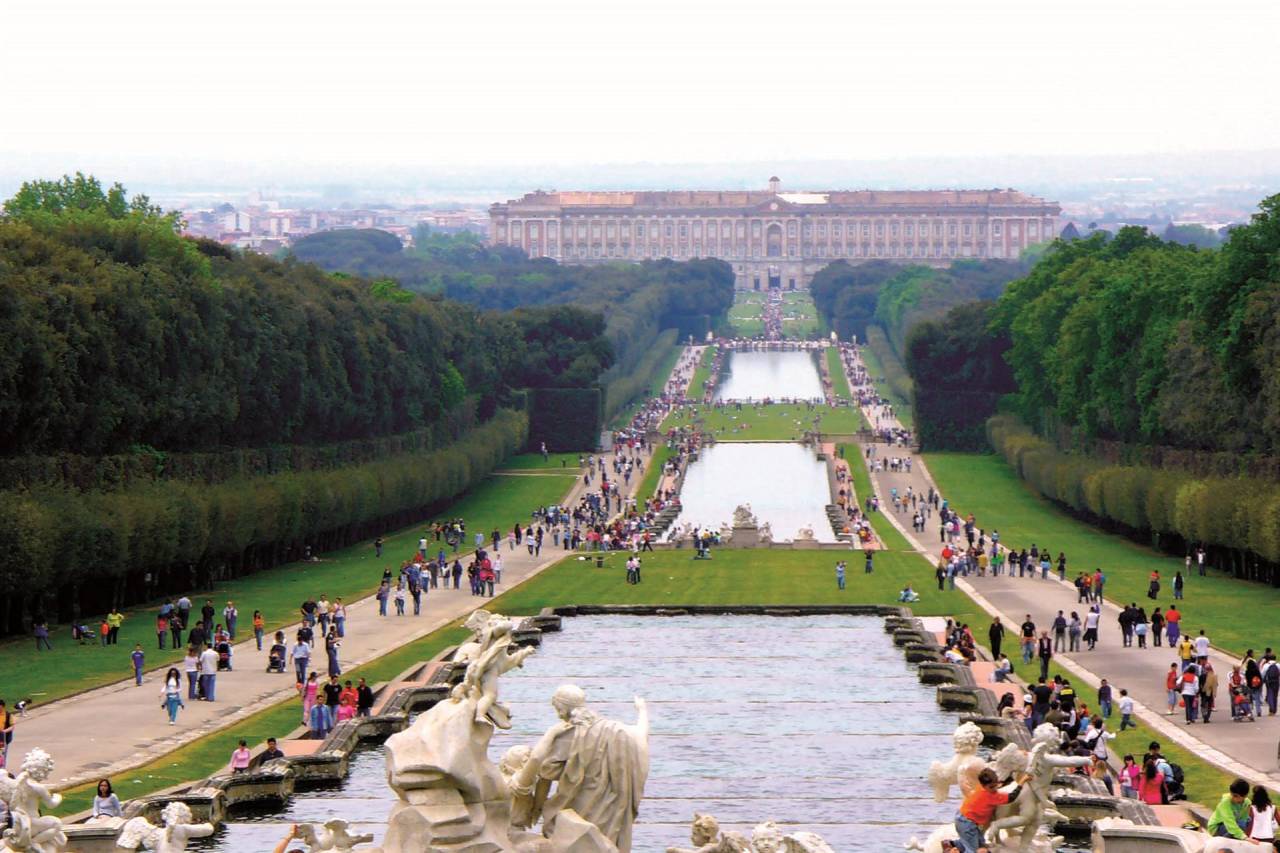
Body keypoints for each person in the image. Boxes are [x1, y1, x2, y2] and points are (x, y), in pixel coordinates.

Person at [946, 767, 1025, 853]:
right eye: (991, 787)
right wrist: (1022, 782)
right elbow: (1011, 797)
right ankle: (951, 848)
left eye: (996, 785)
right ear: (984, 786)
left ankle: (949, 844)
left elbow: (998, 785)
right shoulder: (990, 796)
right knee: (972, 850)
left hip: (964, 818)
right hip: (967, 823)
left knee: (979, 842)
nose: (994, 789)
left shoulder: (981, 788)